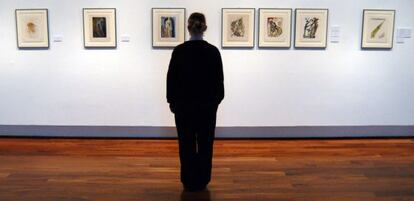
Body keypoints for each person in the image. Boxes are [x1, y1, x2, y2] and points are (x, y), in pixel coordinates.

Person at [167, 12, 224, 192]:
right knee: (206, 144)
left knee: (186, 144)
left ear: (188, 28)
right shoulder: (213, 52)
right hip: (207, 109)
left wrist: (173, 103)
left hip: (184, 109)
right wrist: (214, 103)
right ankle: (203, 180)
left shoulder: (179, 51)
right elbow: (219, 84)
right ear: (204, 28)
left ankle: (189, 180)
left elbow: (171, 81)